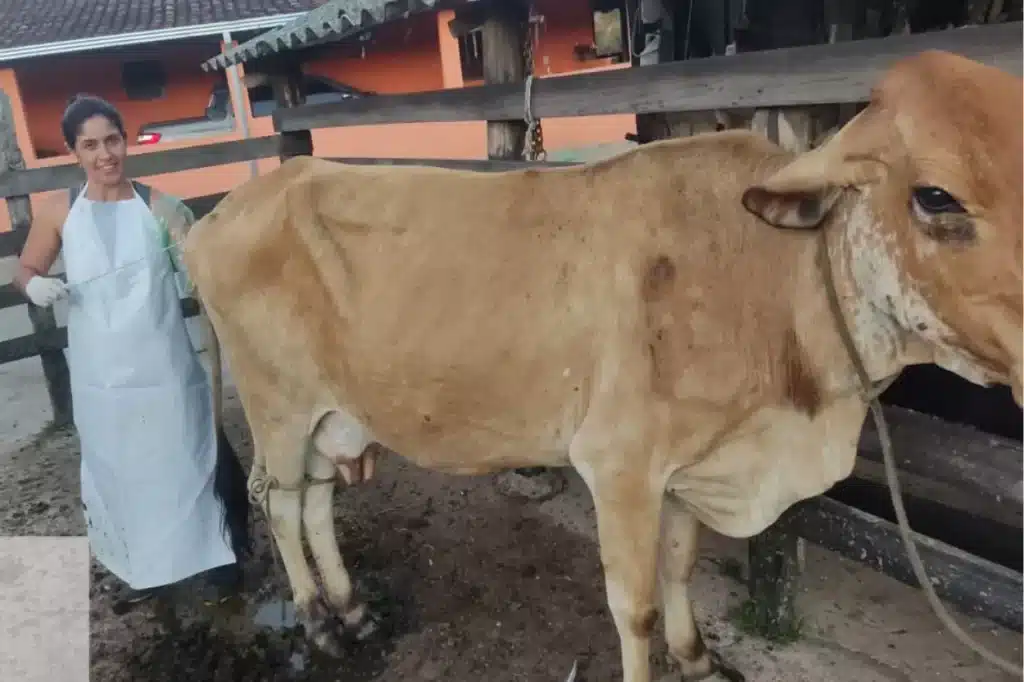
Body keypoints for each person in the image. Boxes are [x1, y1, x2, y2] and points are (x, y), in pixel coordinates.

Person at [13, 94, 250, 607]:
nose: (105, 154)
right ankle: (148, 567)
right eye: (90, 145)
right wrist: (35, 287)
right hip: (103, 380)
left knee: (189, 459)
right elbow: (26, 269)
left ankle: (219, 557)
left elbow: (202, 271)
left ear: (126, 141)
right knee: (125, 471)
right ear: (74, 152)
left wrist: (204, 267)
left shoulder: (161, 208)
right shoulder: (59, 212)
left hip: (164, 367)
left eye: (112, 140)